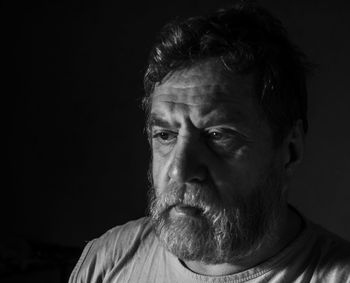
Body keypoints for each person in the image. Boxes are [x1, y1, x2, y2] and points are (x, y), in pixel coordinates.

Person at [69, 3, 350, 282]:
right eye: (165, 135)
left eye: (218, 135)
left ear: (290, 150)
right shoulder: (108, 261)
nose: (180, 170)